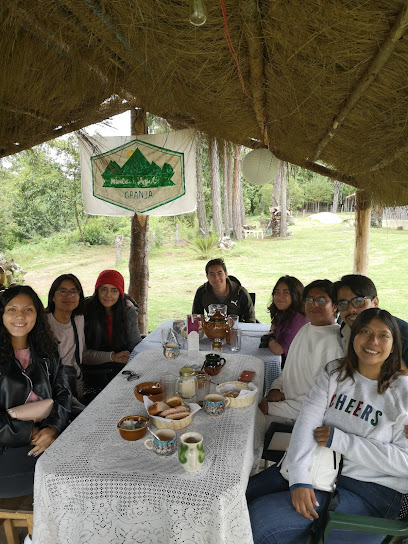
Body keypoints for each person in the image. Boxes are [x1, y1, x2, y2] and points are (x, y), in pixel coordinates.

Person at [247, 308, 408, 544]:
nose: (373, 341)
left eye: (383, 335)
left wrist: (341, 441)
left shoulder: (402, 392)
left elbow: (404, 463)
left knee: (258, 522)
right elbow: (307, 423)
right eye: (365, 331)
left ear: (393, 345)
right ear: (353, 337)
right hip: (318, 467)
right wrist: (299, 478)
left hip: (370, 491)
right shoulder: (335, 372)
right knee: (236, 497)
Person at [0, 285, 71, 498]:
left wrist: (53, 428)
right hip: (7, 450)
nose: (20, 316)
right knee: (69, 473)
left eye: (28, 309)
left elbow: (63, 394)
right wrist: (29, 432)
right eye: (11, 309)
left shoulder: (46, 350)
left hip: (46, 436)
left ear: (37, 314)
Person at [259, 279, 343, 425]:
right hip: (284, 404)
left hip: (301, 419)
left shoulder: (333, 344)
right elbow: (288, 370)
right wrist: (276, 388)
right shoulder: (306, 328)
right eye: (309, 299)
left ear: (335, 306)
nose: (314, 304)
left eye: (321, 300)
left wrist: (273, 408)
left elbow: (322, 402)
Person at [83, 270, 142, 385]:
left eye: (114, 290)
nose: (108, 295)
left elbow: (135, 344)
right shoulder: (84, 312)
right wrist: (112, 357)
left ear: (120, 293)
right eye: (103, 289)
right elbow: (82, 354)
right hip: (92, 371)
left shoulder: (128, 311)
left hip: (121, 369)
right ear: (97, 291)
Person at [334, 274, 408, 365]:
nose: (351, 309)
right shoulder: (344, 326)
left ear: (375, 302)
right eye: (343, 303)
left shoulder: (404, 336)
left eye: (358, 301)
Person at [46, 274, 86, 410]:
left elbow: (83, 354)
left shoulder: (79, 320)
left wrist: (112, 356)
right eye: (62, 291)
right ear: (53, 296)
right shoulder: (44, 324)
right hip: (56, 391)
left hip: (78, 385)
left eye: (73, 292)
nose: (68, 296)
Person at [263, 275, 309, 367]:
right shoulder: (284, 311)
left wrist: (268, 339)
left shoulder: (297, 318)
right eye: (277, 292)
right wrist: (272, 333)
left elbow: (277, 349)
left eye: (285, 293)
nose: (279, 297)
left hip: (295, 368)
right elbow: (274, 325)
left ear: (295, 295)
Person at [192, 258, 256, 322]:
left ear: (226, 275)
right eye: (212, 274)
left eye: (219, 273)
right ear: (207, 277)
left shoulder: (241, 293)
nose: (216, 278)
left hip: (236, 329)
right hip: (213, 329)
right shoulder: (202, 292)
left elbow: (251, 320)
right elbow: (196, 318)